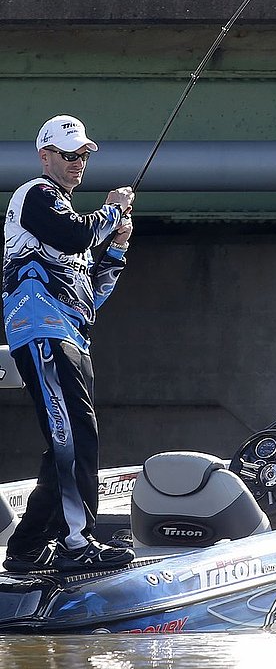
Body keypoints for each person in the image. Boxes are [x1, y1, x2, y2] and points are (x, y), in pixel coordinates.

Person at [2, 114, 136, 572]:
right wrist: (114, 209)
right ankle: (77, 544)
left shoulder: (68, 221)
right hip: (42, 333)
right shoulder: (36, 196)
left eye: (83, 155)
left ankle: (25, 548)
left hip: (71, 336)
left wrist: (116, 248)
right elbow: (76, 233)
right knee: (75, 436)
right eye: (70, 154)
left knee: (68, 440)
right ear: (46, 156)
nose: (79, 162)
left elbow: (91, 295)